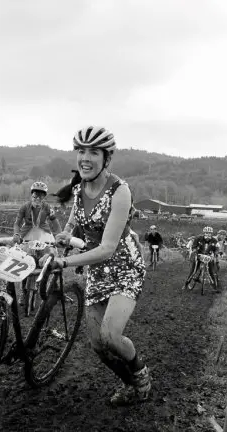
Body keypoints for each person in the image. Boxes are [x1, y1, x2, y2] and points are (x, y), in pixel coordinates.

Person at [44, 126, 150, 406]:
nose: (85, 158)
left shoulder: (119, 191)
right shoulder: (79, 189)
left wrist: (65, 261)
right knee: (97, 346)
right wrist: (65, 237)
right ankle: (129, 385)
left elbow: (106, 248)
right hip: (97, 271)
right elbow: (74, 223)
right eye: (81, 151)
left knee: (111, 336)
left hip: (125, 268)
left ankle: (140, 374)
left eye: (93, 152)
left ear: (107, 158)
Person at [185, 226, 220, 292]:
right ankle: (186, 284)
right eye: (206, 233)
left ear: (211, 234)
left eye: (209, 233)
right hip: (199, 255)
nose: (208, 234)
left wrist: (215, 253)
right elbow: (194, 246)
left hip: (208, 256)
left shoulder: (214, 240)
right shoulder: (198, 238)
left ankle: (214, 288)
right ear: (204, 233)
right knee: (193, 271)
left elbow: (217, 249)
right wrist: (195, 250)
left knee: (210, 272)